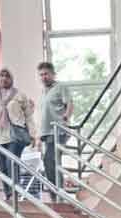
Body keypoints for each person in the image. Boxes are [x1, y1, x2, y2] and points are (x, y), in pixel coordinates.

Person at [0, 67, 38, 200]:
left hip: (15, 135)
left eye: (7, 76)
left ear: (11, 79)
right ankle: (8, 194)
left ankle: (15, 193)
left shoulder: (20, 95)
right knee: (3, 167)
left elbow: (29, 117)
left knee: (12, 162)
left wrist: (33, 135)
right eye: (1, 76)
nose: (4, 78)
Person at [37, 61, 72, 200]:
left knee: (50, 160)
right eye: (41, 75)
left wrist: (66, 116)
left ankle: (58, 194)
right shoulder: (44, 92)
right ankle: (56, 195)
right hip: (46, 133)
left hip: (59, 131)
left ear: (53, 74)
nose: (43, 77)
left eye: (46, 74)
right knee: (50, 163)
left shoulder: (60, 87)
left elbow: (69, 103)